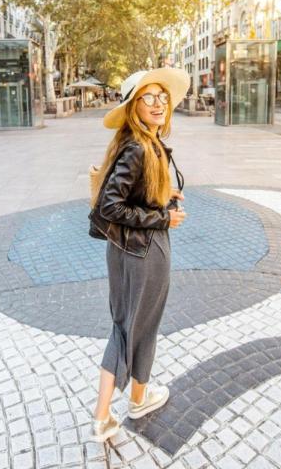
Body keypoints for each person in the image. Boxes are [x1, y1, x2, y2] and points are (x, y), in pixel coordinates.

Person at [87, 67, 189, 443]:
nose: (159, 102)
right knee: (134, 326)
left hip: (125, 249)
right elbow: (110, 207)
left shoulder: (137, 141)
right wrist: (162, 216)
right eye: (148, 97)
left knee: (132, 324)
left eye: (162, 96)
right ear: (134, 106)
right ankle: (103, 416)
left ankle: (137, 399)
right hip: (146, 249)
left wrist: (162, 195)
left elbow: (129, 194)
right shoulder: (137, 147)